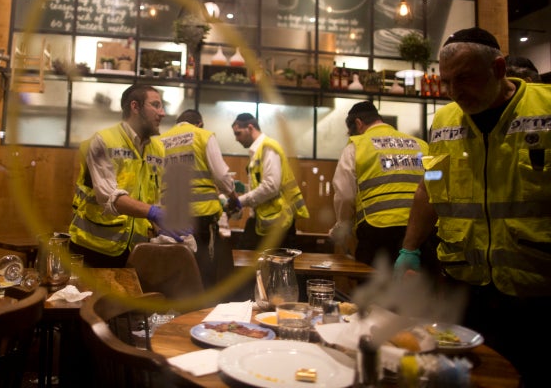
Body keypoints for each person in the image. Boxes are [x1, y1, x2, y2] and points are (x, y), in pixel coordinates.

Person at [394, 27, 551, 388]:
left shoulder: (545, 110)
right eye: (446, 81)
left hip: (536, 287)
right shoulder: (446, 121)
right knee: (465, 377)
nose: (454, 92)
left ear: (498, 69)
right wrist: (410, 248)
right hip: (465, 285)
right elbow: (431, 186)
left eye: (464, 79)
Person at [68, 84, 167, 268]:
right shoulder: (103, 141)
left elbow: (156, 197)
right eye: (155, 105)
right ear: (135, 107)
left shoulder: (158, 149)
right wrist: (154, 213)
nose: (162, 113)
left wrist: (167, 228)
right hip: (94, 249)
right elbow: (109, 197)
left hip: (136, 250)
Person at [330, 101, 429, 270]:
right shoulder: (421, 145)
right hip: (422, 231)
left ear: (358, 123)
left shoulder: (357, 146)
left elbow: (345, 195)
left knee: (375, 293)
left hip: (378, 232)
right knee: (418, 293)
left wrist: (342, 227)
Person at [159, 109, 239, 289]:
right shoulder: (203, 135)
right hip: (202, 216)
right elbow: (221, 175)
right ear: (200, 123)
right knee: (204, 270)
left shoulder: (161, 140)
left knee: (178, 270)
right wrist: (233, 196)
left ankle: (180, 313)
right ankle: (201, 312)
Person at [229, 113, 309, 249]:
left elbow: (271, 186)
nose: (236, 139)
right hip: (265, 221)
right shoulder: (258, 151)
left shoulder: (268, 147)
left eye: (238, 133)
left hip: (278, 224)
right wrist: (244, 190)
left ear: (250, 127)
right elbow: (264, 185)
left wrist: (239, 201)